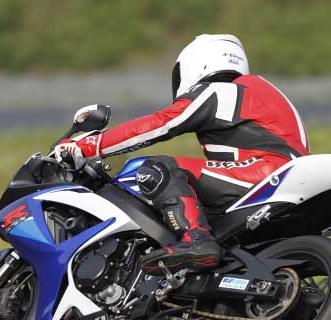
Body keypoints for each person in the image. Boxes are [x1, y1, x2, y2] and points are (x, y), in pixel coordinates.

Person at [55, 34, 309, 274]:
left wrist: (88, 146)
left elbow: (161, 124)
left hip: (263, 173)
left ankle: (196, 239)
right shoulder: (260, 92)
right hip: (282, 177)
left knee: (156, 168)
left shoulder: (222, 90)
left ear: (198, 62)